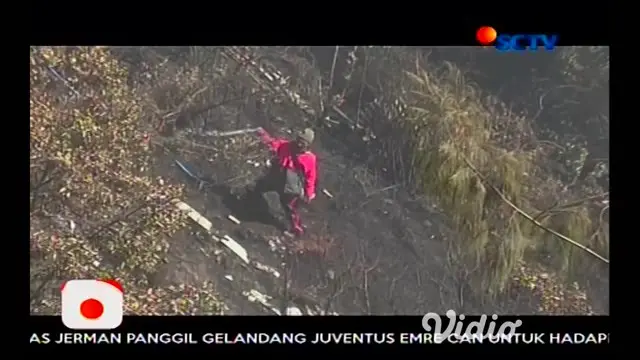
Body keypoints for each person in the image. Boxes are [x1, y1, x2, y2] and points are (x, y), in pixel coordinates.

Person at [245, 127, 318, 236]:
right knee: (259, 186)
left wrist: (309, 193)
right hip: (276, 178)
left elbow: (310, 177)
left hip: (289, 187)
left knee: (290, 208)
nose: (299, 144)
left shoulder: (310, 158)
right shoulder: (285, 145)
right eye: (299, 140)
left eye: (303, 142)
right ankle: (251, 205)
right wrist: (263, 135)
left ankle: (296, 228)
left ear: (308, 145)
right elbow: (272, 143)